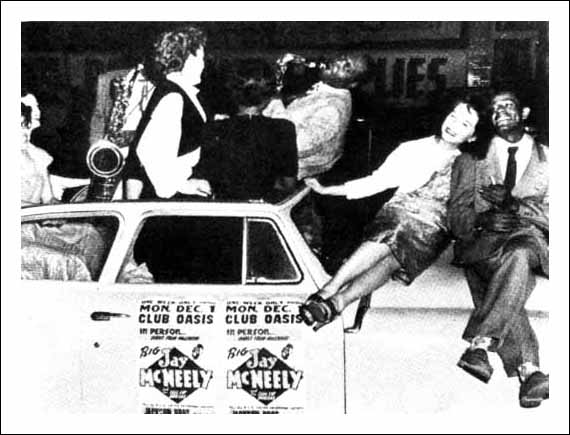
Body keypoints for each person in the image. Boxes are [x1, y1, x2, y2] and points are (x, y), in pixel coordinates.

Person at [301, 99, 483, 331]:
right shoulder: (412, 148)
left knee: (394, 254)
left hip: (432, 230)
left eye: (465, 124)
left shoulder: (470, 165)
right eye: (453, 116)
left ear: (473, 137)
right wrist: (328, 190)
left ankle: (332, 296)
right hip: (398, 216)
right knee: (394, 236)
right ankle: (334, 297)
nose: (454, 125)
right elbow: (376, 181)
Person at [448, 91, 549, 408]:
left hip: (530, 239)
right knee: (510, 271)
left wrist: (514, 205)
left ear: (525, 112)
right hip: (483, 245)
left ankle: (481, 343)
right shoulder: (470, 160)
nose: (500, 112)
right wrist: (481, 220)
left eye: (508, 105)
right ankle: (530, 371)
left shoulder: (552, 159)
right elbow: (456, 216)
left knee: (519, 253)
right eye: (494, 109)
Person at [123, 25, 211, 200]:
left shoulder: (174, 90)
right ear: (186, 59)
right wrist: (183, 185)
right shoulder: (174, 97)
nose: (203, 64)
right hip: (169, 200)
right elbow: (149, 152)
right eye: (200, 58)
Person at [193, 58, 298, 200]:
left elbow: (207, 179)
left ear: (232, 94)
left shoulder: (212, 129)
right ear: (269, 97)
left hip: (223, 208)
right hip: (266, 208)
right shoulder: (284, 129)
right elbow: (288, 185)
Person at [263, 54, 354, 180]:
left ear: (353, 84)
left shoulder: (333, 109)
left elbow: (294, 146)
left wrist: (275, 101)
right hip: (278, 159)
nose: (338, 62)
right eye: (343, 58)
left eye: (347, 68)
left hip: (287, 175)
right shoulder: (326, 90)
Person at [21, 94, 57, 207]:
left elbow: (49, 199)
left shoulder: (39, 155)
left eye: (24, 125)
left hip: (36, 217)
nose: (23, 133)